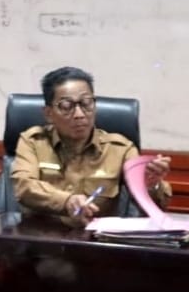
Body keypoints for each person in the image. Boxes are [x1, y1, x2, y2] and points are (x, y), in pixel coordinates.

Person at [11, 66, 171, 227]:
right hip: (41, 236)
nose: (79, 114)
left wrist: (151, 184)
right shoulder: (33, 142)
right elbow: (24, 187)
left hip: (96, 238)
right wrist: (67, 201)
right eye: (66, 106)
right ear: (48, 114)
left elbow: (154, 208)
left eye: (86, 103)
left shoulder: (120, 149)